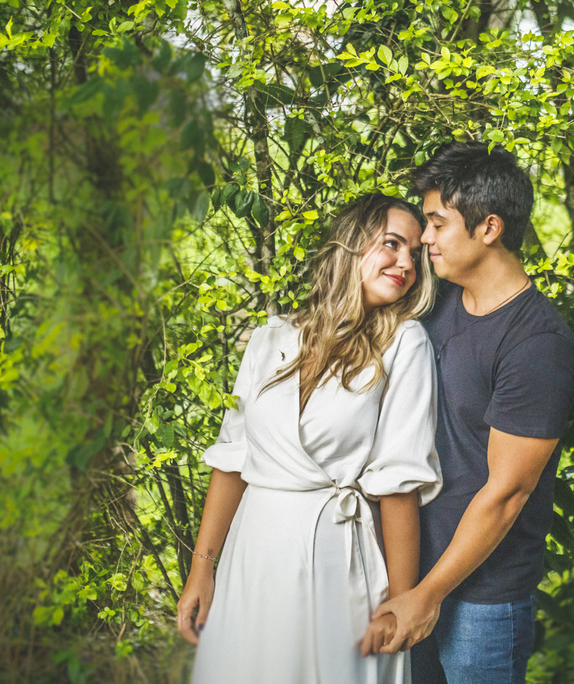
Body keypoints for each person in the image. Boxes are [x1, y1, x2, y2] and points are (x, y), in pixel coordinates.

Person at [177, 192, 443, 684]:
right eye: (392, 244)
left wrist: (400, 601)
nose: (407, 263)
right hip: (252, 555)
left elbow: (399, 481)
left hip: (336, 558)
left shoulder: (405, 343)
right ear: (351, 244)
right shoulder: (270, 339)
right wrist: (202, 570)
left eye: (415, 253)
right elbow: (233, 459)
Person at [364, 142, 574, 684]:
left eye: (437, 224)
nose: (426, 238)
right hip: (405, 577)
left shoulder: (538, 343)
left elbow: (507, 493)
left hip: (480, 599)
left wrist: (428, 595)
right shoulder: (433, 304)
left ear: (489, 228)